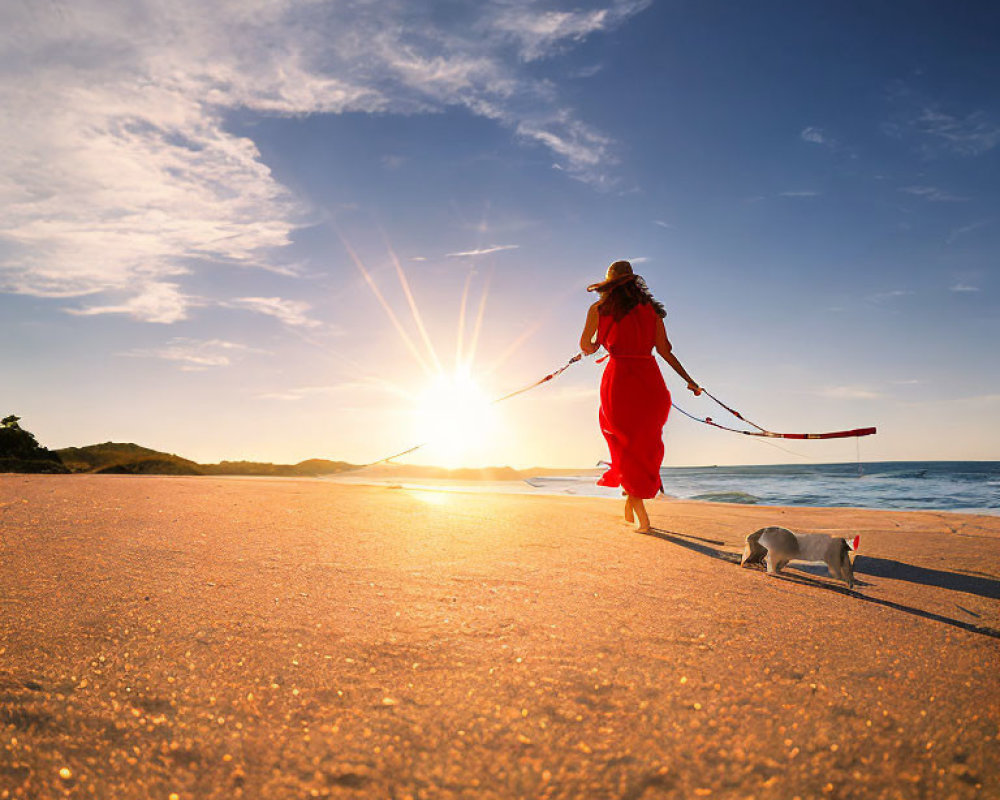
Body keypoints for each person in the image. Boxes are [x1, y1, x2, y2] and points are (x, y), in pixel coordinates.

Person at [580, 260, 701, 533]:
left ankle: (641, 516)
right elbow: (666, 351)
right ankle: (631, 503)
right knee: (645, 446)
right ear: (633, 281)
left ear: (610, 281)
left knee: (624, 444)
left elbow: (586, 346)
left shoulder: (599, 309)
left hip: (619, 379)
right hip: (650, 381)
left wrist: (598, 344)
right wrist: (690, 382)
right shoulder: (651, 311)